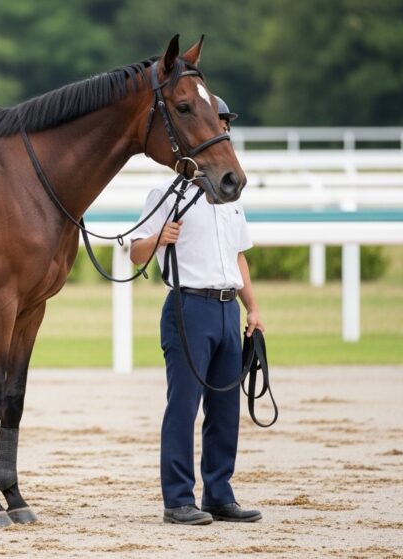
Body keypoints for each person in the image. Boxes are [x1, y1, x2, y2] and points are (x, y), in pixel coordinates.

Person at [129, 96, 265, 525]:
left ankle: (219, 495)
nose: (220, 129)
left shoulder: (230, 196)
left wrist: (253, 309)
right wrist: (159, 239)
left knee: (225, 411)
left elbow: (238, 257)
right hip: (189, 307)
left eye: (224, 122)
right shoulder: (166, 194)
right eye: (217, 122)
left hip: (226, 310)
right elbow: (135, 253)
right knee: (184, 407)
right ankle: (178, 499)